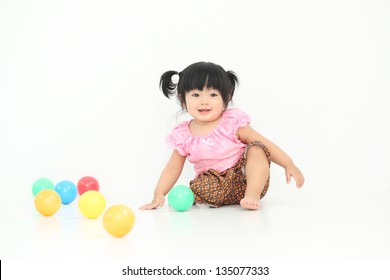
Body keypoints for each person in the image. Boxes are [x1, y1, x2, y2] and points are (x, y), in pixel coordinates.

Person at [140, 62, 304, 210]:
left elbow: (264, 142)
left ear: (226, 98)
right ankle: (201, 197)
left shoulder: (231, 122)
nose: (204, 101)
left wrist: (288, 164)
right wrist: (159, 194)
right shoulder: (183, 135)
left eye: (213, 95)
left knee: (257, 148)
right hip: (214, 185)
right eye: (196, 95)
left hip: (245, 179)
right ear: (183, 100)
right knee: (200, 185)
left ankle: (252, 195)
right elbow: (172, 168)